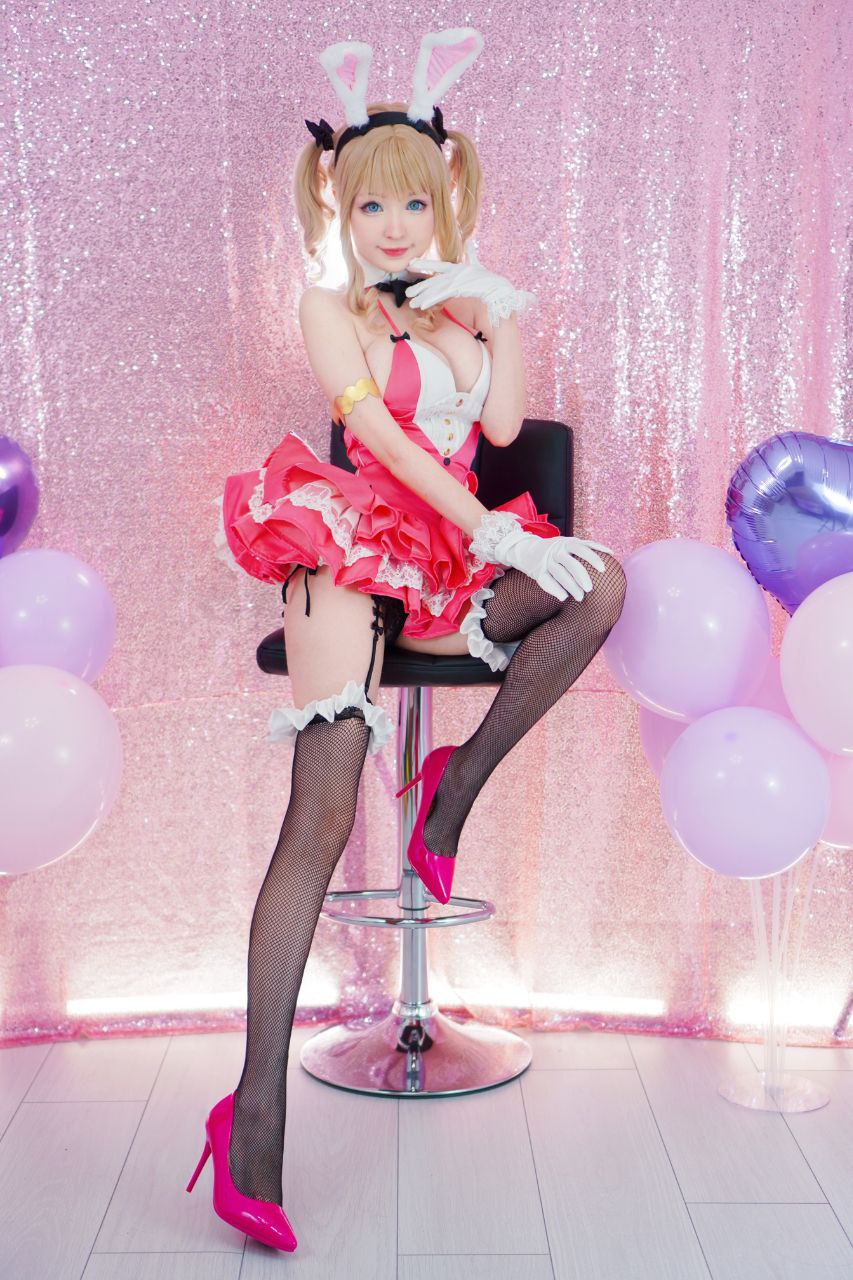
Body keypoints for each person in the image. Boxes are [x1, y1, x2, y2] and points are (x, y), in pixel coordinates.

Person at [188, 27, 628, 1253]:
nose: (392, 225)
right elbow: (375, 440)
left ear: (445, 203)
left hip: (452, 553)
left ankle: (450, 791)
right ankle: (253, 1115)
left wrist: (497, 311)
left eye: (414, 201)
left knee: (600, 584)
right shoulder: (325, 305)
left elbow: (501, 422)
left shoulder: (457, 303)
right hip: (352, 538)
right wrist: (487, 522)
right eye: (371, 202)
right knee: (322, 806)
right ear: (341, 207)